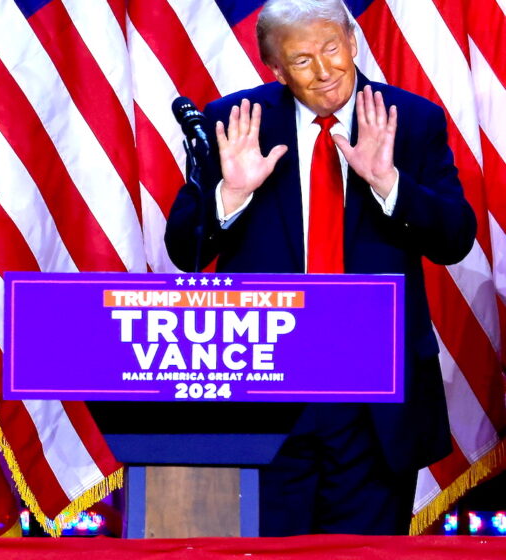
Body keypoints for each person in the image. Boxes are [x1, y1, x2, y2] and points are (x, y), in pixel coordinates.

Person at [164, 0, 475, 536]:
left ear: (353, 42)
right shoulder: (237, 124)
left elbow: (455, 238)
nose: (325, 69)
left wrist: (389, 186)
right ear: (277, 70)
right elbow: (182, 248)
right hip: (266, 390)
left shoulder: (412, 120)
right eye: (302, 60)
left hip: (375, 395)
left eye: (332, 48)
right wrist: (230, 193)